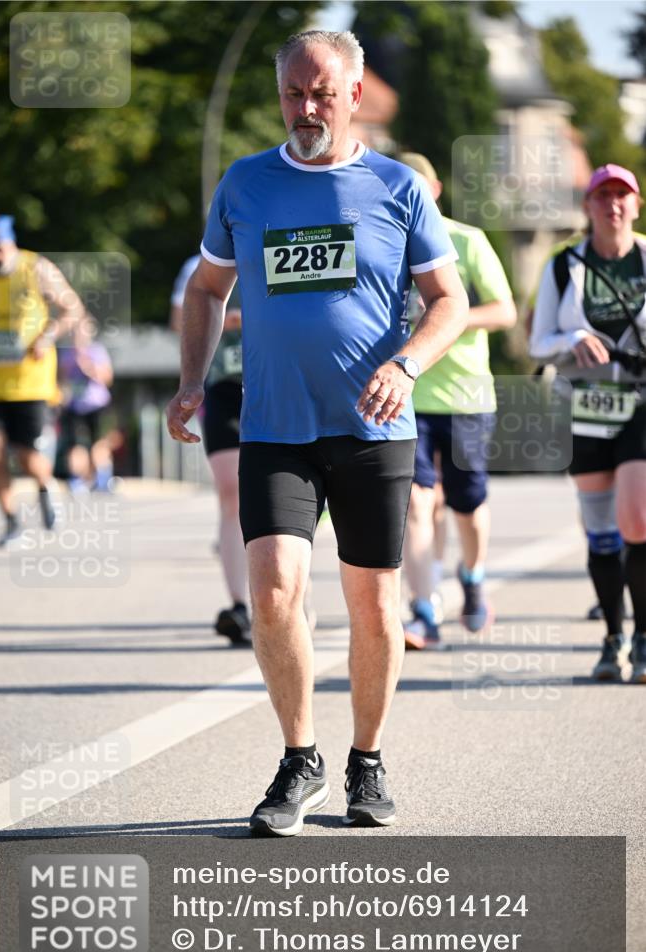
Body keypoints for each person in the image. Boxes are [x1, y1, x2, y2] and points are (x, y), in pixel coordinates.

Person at [167, 29, 468, 836]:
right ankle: (299, 756)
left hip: (373, 429)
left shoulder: (398, 188)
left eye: (321, 94)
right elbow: (204, 292)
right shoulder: (245, 184)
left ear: (354, 95)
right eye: (293, 94)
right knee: (272, 593)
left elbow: (449, 303)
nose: (306, 108)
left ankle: (365, 762)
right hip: (275, 425)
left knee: (373, 608)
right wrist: (192, 381)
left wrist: (405, 365)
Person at [530, 163, 646, 684]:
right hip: (585, 406)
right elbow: (538, 341)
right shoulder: (563, 266)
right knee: (600, 533)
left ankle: (643, 636)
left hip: (641, 406)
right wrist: (571, 340)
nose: (613, 205)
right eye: (603, 197)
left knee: (637, 521)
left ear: (636, 205)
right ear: (588, 206)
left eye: (622, 196)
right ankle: (612, 637)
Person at [398, 154, 517, 650]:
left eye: (418, 188)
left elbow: (505, 311)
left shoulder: (467, 241)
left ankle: (472, 575)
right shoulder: (386, 244)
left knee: (467, 506)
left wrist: (447, 314)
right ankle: (424, 611)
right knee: (416, 504)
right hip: (409, 392)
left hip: (467, 395)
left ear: (437, 189)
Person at [0, 214, 84, 545]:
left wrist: (47, 336)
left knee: (26, 454)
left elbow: (73, 309)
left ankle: (45, 485)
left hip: (32, 383)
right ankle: (11, 520)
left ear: (9, 242)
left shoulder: (35, 268)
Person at [170, 260, 250, 644]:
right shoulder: (196, 268)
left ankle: (293, 596)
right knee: (231, 491)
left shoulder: (284, 239)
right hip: (224, 388)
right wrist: (222, 320)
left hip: (280, 381)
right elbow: (180, 322)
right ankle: (240, 606)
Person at [57, 314, 115, 493]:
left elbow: (107, 378)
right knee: (76, 445)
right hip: (74, 406)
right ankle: (76, 480)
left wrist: (88, 367)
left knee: (99, 443)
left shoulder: (97, 351)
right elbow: (61, 378)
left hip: (97, 405)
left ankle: (103, 479)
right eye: (75, 331)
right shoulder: (67, 353)